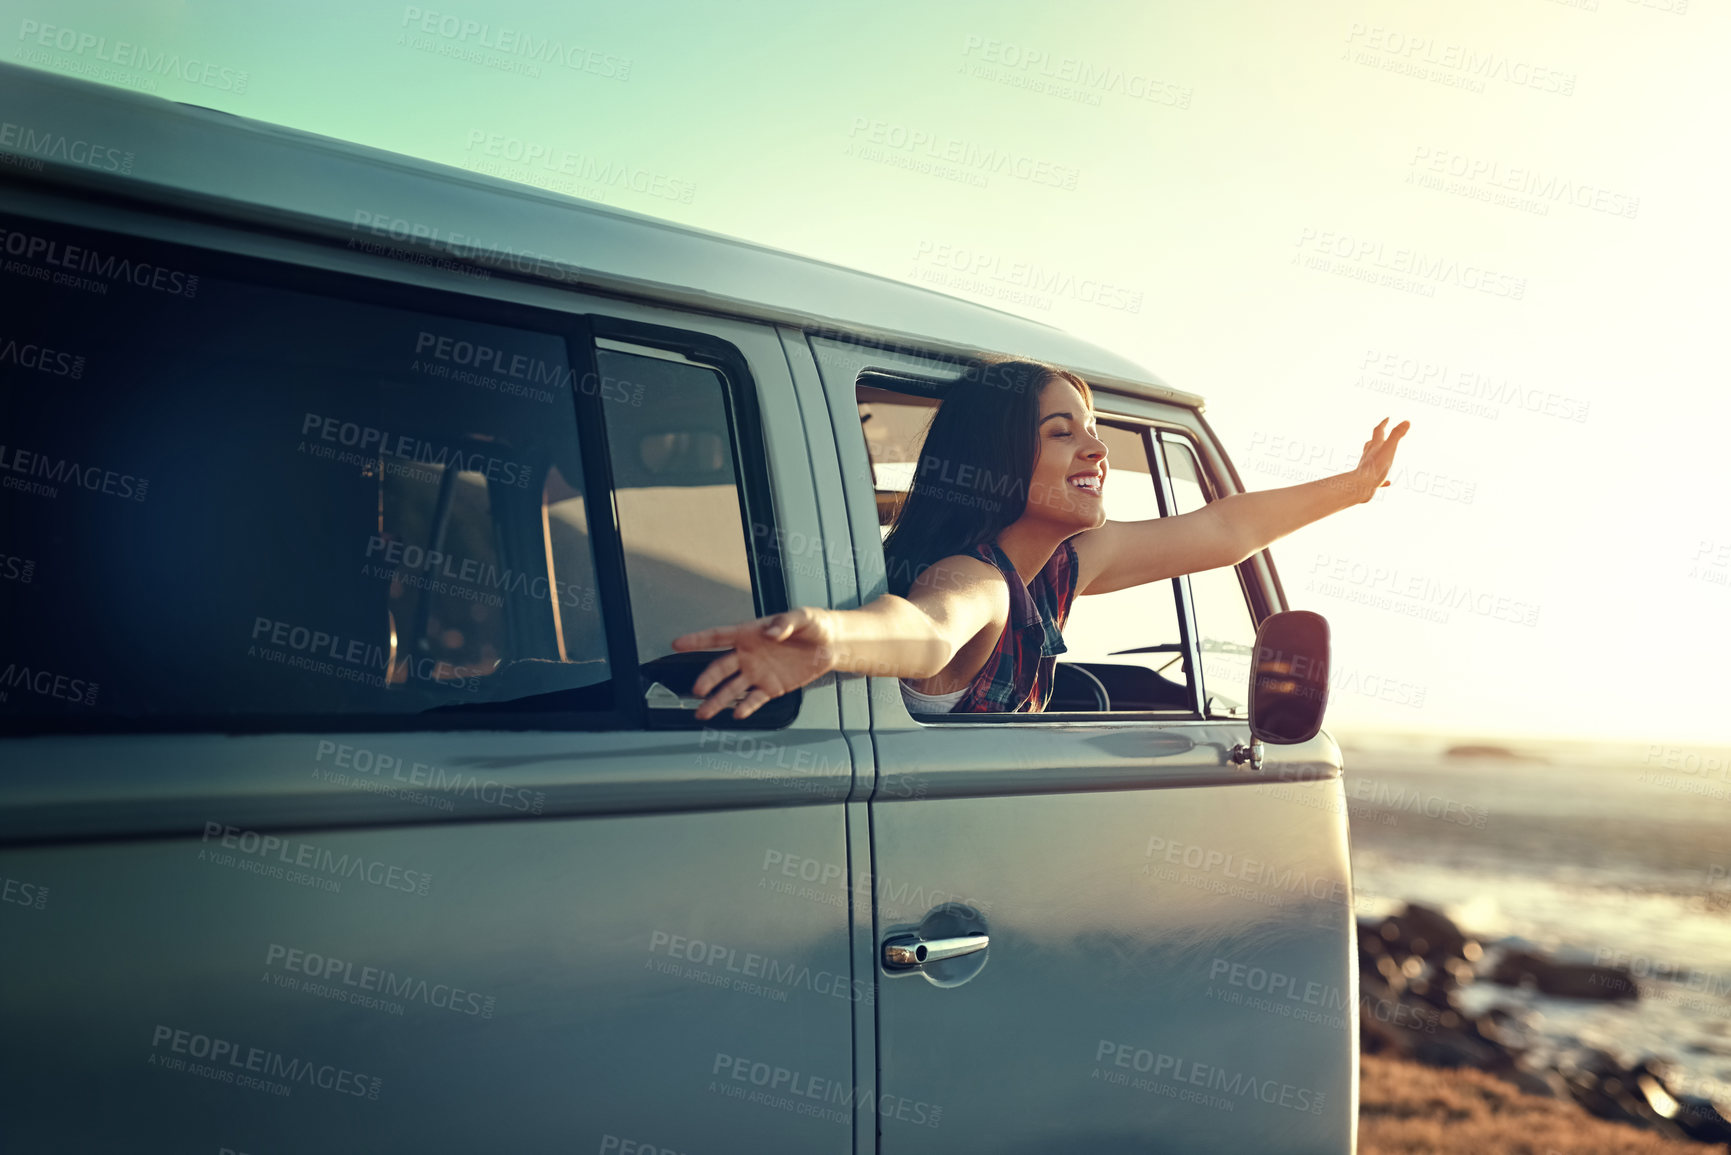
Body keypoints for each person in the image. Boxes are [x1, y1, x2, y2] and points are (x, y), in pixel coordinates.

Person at [672, 356, 1409, 721]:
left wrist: (1355, 485)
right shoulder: (977, 576)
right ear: (998, 459)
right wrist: (831, 640)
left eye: (1093, 432)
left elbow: (1220, 530)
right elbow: (927, 628)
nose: (1094, 450)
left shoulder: (1067, 564)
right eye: (1061, 433)